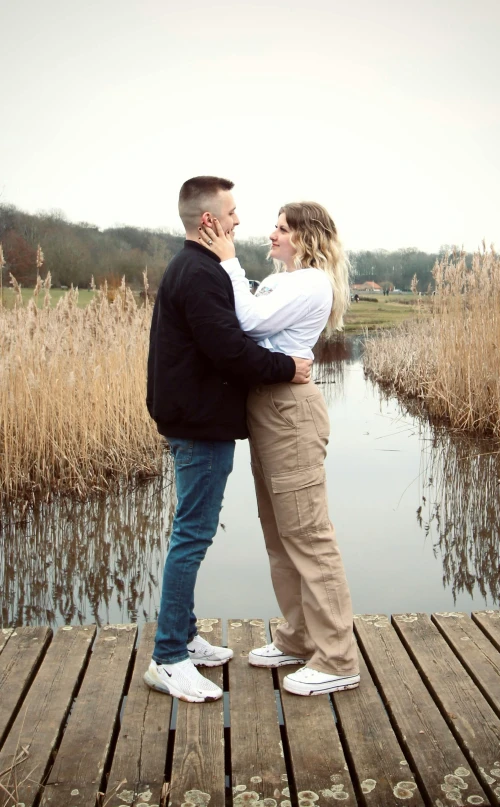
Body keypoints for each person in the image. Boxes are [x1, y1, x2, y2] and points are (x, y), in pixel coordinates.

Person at [144, 176, 313, 703]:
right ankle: (168, 657)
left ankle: (184, 635)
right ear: (209, 220)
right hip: (198, 423)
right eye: (233, 212)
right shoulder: (199, 273)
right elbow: (229, 349)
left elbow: (228, 341)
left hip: (197, 417)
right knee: (191, 535)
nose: (241, 220)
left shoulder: (199, 267)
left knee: (190, 530)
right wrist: (289, 367)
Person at [199, 202, 360, 696]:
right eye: (275, 226)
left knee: (308, 534)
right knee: (279, 534)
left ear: (306, 237)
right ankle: (297, 638)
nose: (271, 234)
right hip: (268, 407)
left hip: (290, 411)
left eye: (282, 228)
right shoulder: (286, 279)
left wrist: (228, 259)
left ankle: (336, 659)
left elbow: (247, 322)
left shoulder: (310, 281)